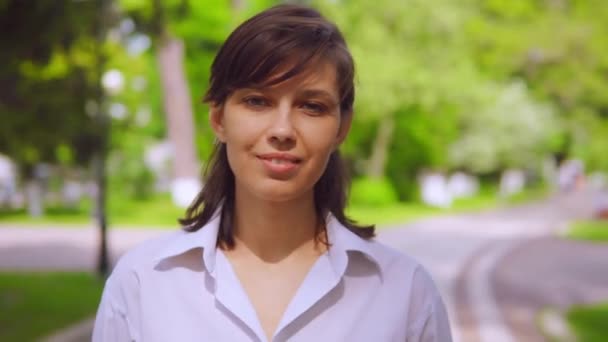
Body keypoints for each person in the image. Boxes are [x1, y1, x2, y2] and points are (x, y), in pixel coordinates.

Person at [92, 4, 452, 342]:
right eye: (257, 101)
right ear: (219, 119)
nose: (282, 129)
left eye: (311, 106)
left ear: (342, 128)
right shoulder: (143, 283)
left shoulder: (405, 292)